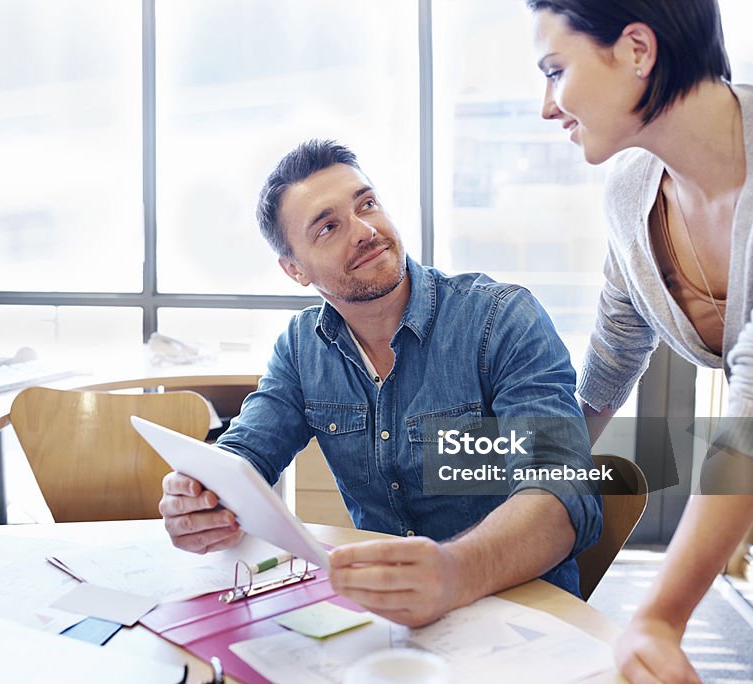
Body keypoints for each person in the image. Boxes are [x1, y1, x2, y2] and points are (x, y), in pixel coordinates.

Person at [159, 139, 602, 627]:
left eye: (366, 204)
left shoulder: (501, 319)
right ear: (295, 270)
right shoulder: (303, 347)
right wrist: (201, 498)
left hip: (521, 617)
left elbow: (564, 492)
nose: (366, 231)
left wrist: (454, 572)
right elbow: (246, 455)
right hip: (390, 621)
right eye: (329, 227)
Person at [529, 1, 753, 681]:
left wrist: (661, 616)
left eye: (555, 70)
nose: (547, 106)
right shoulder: (631, 189)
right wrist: (548, 478)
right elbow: (617, 343)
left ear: (638, 49)